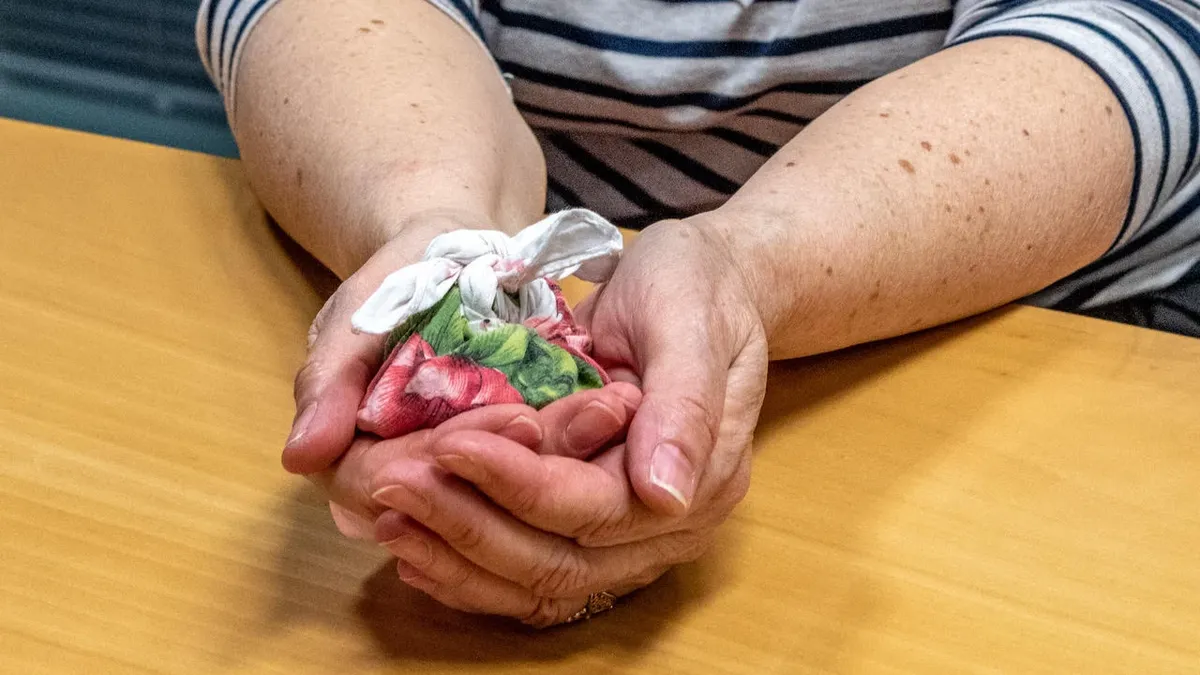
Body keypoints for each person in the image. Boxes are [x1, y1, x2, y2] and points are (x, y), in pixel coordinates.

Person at [197, 0, 1200, 626]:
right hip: (554, 280)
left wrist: (749, 266)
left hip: (1026, 350)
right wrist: (440, 228)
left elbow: (1143, 31)